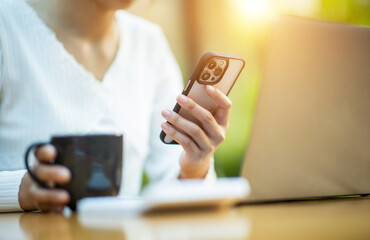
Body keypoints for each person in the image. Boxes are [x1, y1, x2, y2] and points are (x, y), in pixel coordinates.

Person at [0, 0, 232, 212]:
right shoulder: (6, 26)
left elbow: (171, 190)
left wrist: (194, 167)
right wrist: (19, 190)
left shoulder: (148, 44)